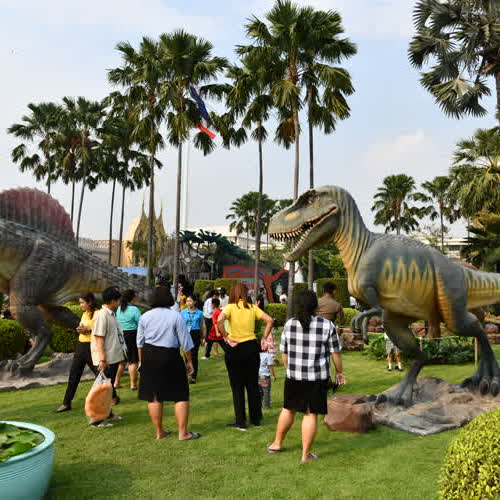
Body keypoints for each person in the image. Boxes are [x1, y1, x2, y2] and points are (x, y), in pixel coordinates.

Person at [267, 290, 345, 463]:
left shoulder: (289, 324)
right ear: (315, 305)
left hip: (294, 376)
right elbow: (336, 353)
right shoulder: (327, 325)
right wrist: (339, 372)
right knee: (310, 414)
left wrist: (289, 370)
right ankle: (305, 455)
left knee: (288, 409)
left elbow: (284, 353)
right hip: (317, 378)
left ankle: (277, 444)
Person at [137, 286, 201, 441]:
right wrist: (189, 362)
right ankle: (183, 433)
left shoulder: (144, 317)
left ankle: (159, 432)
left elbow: (140, 343)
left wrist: (141, 361)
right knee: (180, 394)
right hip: (170, 355)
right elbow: (185, 343)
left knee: (154, 395)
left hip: (149, 355)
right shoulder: (176, 316)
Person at [217, 281, 274, 431]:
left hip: (235, 348)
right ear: (245, 293)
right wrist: (264, 338)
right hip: (251, 348)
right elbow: (270, 320)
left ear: (233, 293)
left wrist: (226, 337)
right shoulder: (252, 307)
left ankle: (241, 422)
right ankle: (256, 419)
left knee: (237, 387)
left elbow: (219, 321)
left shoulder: (229, 307)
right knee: (252, 385)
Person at [55, 293, 99, 413]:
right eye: (80, 303)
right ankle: (66, 403)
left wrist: (89, 330)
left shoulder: (99, 314)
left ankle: (113, 397)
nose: (80, 305)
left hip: (92, 347)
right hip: (81, 347)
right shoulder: (84, 314)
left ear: (90, 302)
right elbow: (82, 327)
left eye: (82, 302)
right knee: (74, 374)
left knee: (100, 375)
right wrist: (80, 329)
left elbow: (103, 330)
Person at [90, 286, 127, 427]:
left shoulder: (111, 314)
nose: (119, 303)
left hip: (113, 358)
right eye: (118, 300)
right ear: (112, 301)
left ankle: (108, 413)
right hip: (106, 359)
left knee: (108, 388)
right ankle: (97, 420)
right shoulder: (102, 315)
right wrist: (102, 359)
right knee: (102, 390)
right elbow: (99, 338)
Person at [115, 289, 142, 390]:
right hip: (132, 336)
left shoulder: (118, 309)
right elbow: (141, 323)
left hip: (120, 336)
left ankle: (116, 382)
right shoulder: (134, 309)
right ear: (132, 298)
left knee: (122, 361)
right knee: (133, 361)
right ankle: (133, 384)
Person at [180, 296, 206, 384]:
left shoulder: (199, 313)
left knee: (194, 355)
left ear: (195, 302)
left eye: (190, 301)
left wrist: (203, 337)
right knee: (186, 355)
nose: (188, 303)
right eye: (187, 301)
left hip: (195, 334)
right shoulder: (182, 312)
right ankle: (187, 374)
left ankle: (193, 376)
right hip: (186, 334)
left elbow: (202, 326)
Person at [259, 341, 276, 409]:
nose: (266, 344)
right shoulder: (268, 355)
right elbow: (270, 367)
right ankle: (266, 406)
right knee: (266, 391)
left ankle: (258, 405)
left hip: (257, 376)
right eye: (264, 344)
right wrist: (273, 375)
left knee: (259, 392)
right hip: (264, 377)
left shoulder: (256, 354)